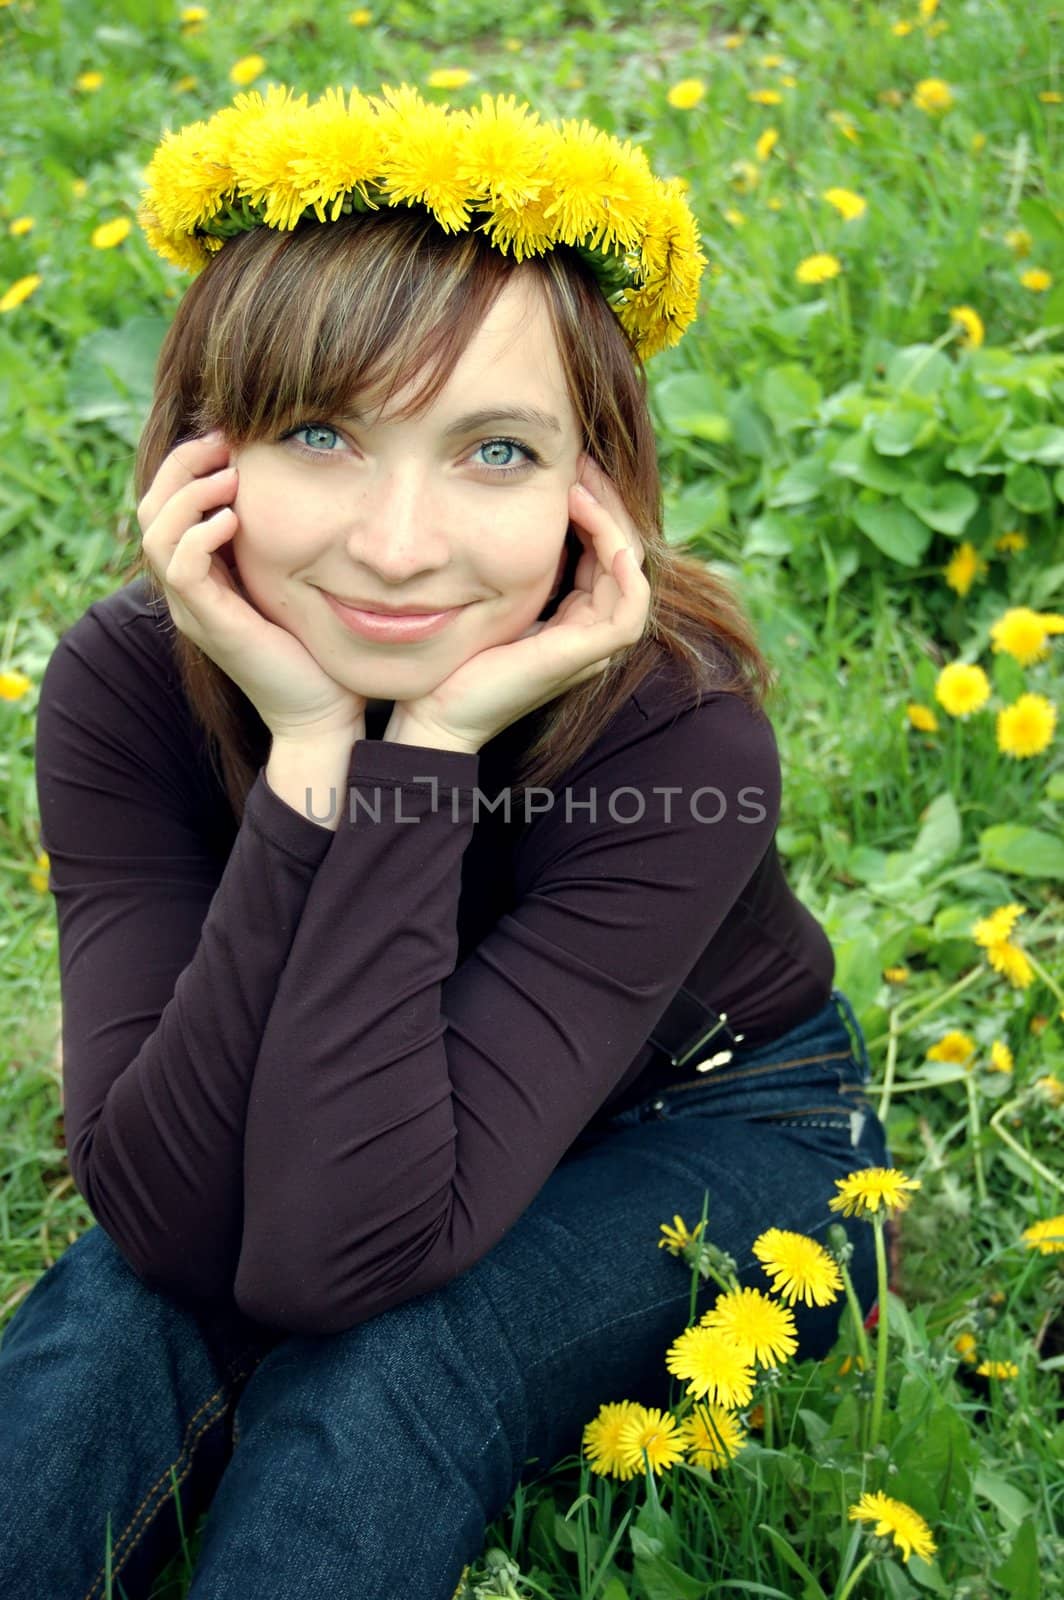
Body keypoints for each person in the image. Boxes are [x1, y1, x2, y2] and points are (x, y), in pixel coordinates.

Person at [0, 82, 890, 1598]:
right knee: (104, 1331)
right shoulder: (121, 688)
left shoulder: (682, 736)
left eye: (495, 452)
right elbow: (161, 1224)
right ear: (205, 455)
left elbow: (333, 1262)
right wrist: (307, 751)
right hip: (313, 1078)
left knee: (394, 1358)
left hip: (712, 1124)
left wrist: (429, 755)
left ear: (588, 490)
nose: (399, 545)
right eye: (324, 433)